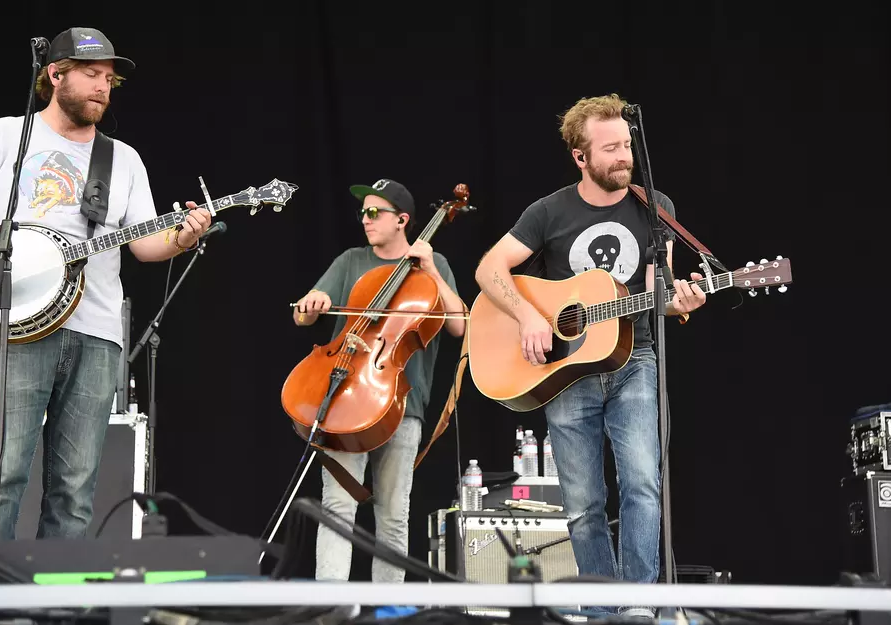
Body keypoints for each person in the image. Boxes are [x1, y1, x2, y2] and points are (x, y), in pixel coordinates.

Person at [0, 27, 211, 581]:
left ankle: (52, 611)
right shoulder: (5, 136)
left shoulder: (122, 159)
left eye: (109, 79)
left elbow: (147, 244)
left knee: (75, 493)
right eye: (92, 74)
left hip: (98, 333)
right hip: (16, 328)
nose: (104, 87)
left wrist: (186, 234)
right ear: (55, 75)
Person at [473, 94, 707, 618]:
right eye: (611, 149)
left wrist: (680, 302)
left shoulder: (655, 206)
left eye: (626, 145)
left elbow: (659, 293)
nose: (624, 156)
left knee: (644, 485)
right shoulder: (549, 211)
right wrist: (529, 316)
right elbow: (489, 270)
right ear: (581, 157)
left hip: (635, 360)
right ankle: (601, 611)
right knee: (583, 508)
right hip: (568, 372)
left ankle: (639, 608)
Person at [293, 178, 464, 582]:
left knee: (393, 516)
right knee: (336, 507)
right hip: (344, 398)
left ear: (402, 220)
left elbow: (458, 325)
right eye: (363, 213)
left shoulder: (432, 267)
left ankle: (387, 610)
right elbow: (303, 314)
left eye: (375, 212)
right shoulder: (351, 261)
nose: (365, 220)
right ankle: (331, 606)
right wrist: (309, 308)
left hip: (401, 404)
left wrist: (432, 270)